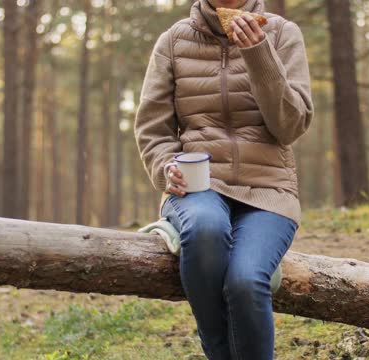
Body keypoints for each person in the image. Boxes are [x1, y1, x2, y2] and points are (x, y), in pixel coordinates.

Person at [133, 0, 313, 358]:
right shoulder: (172, 42)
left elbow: (290, 127)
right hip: (200, 185)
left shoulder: (282, 34)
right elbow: (153, 129)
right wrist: (165, 166)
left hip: (268, 188)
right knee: (205, 227)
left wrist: (258, 53)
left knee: (246, 281)